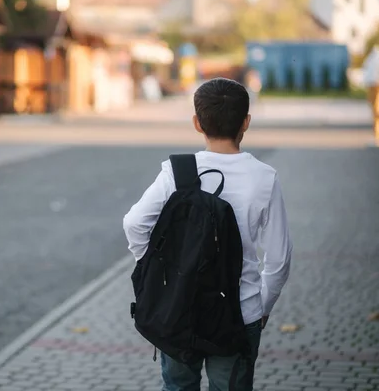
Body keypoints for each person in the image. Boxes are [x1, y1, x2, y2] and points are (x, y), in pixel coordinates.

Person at [123, 78, 293, 391]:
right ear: (246, 122)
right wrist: (262, 306)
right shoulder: (264, 178)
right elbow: (279, 259)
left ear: (197, 123)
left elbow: (134, 224)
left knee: (177, 386)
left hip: (179, 304)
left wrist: (152, 267)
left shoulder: (177, 171)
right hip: (239, 311)